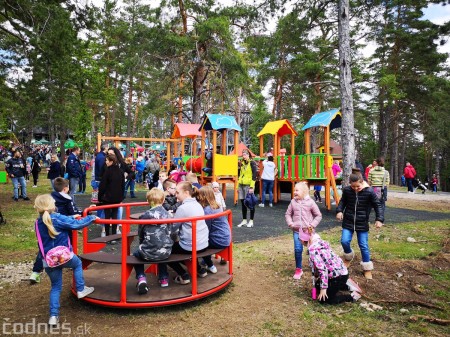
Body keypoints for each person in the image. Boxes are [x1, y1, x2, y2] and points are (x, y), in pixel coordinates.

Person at [33, 194, 97, 326]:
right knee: (78, 264)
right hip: (64, 256)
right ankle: (80, 289)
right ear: (52, 206)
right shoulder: (57, 217)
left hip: (49, 261)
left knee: (55, 287)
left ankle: (53, 316)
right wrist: (92, 217)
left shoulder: (38, 222)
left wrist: (69, 217)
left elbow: (61, 221)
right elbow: (76, 225)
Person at [29, 177, 83, 283]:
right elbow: (73, 212)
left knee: (45, 249)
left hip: (47, 224)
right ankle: (69, 262)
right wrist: (86, 213)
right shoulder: (67, 199)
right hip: (62, 226)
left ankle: (35, 272)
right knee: (66, 246)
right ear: (65, 188)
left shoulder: (50, 198)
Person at [336, 171, 384, 279]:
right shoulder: (347, 190)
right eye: (353, 186)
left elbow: (377, 205)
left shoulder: (369, 192)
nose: (355, 189)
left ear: (362, 182)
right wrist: (339, 211)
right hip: (348, 221)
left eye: (357, 186)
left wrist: (379, 219)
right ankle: (348, 257)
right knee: (344, 241)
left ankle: (367, 268)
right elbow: (342, 202)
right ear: (350, 184)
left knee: (363, 245)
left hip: (362, 223)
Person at [159, 182, 209, 285]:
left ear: (186, 193)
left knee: (164, 250)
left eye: (178, 192)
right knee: (178, 247)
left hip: (191, 246)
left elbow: (172, 228)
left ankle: (183, 275)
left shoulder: (183, 208)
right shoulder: (198, 205)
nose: (176, 195)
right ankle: (199, 269)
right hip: (203, 243)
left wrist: (168, 218)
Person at [300, 231, 362, 305]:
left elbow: (323, 270)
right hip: (339, 272)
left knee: (325, 300)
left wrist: (323, 289)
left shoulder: (314, 251)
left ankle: (351, 297)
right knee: (317, 286)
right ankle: (346, 285)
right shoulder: (318, 243)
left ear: (303, 240)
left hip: (338, 276)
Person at [133, 188, 173, 293]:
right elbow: (170, 231)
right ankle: (164, 279)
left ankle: (141, 278)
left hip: (148, 252)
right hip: (166, 251)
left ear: (147, 201)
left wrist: (142, 243)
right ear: (163, 200)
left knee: (136, 254)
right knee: (161, 248)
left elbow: (140, 233)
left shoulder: (144, 216)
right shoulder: (167, 215)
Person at [285, 182, 322, 280]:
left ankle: (317, 267)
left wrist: (312, 225)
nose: (294, 192)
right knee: (298, 249)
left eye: (297, 190)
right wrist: (291, 223)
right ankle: (298, 269)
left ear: (304, 191)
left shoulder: (310, 202)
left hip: (308, 232)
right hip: (297, 231)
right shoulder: (293, 202)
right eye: (294, 190)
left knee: (313, 250)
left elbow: (318, 215)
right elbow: (288, 214)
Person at [196, 186, 231, 272]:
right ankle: (206, 261)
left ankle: (210, 265)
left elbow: (206, 229)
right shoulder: (217, 206)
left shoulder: (207, 211)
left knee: (199, 243)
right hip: (225, 237)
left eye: (198, 196)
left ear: (203, 197)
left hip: (219, 240)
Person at [98, 153, 125, 239]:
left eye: (107, 160)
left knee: (107, 215)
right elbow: (123, 185)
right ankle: (113, 234)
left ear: (111, 161)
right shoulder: (120, 171)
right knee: (114, 215)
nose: (105, 162)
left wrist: (100, 197)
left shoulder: (108, 171)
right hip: (117, 197)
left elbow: (103, 185)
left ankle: (107, 234)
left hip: (108, 198)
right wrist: (121, 196)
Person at [237, 149, 258, 228]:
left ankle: (251, 220)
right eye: (243, 154)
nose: (244, 156)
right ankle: (244, 220)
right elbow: (240, 175)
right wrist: (237, 186)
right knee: (243, 203)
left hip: (248, 185)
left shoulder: (252, 163)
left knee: (250, 203)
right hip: (241, 184)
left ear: (248, 155)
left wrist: (252, 186)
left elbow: (254, 175)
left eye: (245, 154)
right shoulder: (242, 163)